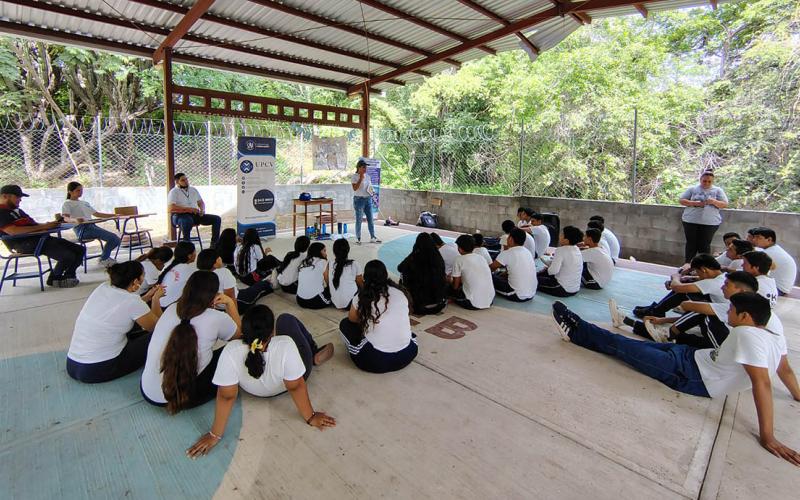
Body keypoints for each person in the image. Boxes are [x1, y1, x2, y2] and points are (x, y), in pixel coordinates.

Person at [551, 295, 800, 467]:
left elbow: (762, 383)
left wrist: (768, 436)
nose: (728, 314)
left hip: (689, 376)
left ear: (745, 316)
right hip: (691, 357)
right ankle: (582, 328)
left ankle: (576, 330)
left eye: (732, 311)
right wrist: (798, 395)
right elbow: (785, 369)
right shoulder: (771, 330)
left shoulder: (748, 335)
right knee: (633, 345)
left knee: (622, 347)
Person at [186, 305, 335, 458]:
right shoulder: (285, 344)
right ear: (272, 332)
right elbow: (296, 386)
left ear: (243, 330)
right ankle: (313, 351)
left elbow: (226, 396)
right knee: (286, 319)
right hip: (287, 381)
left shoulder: (231, 350)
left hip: (254, 391)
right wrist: (310, 417)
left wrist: (214, 435)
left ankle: (310, 352)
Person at [141, 271, 240, 413]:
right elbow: (237, 335)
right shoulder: (216, 318)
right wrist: (230, 303)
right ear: (214, 294)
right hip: (185, 397)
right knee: (235, 348)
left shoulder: (171, 308)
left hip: (148, 391)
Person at [66, 261, 164, 383]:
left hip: (72, 364)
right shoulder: (132, 301)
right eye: (143, 276)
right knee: (161, 337)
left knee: (133, 328)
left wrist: (146, 297)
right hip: (98, 369)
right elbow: (159, 328)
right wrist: (155, 299)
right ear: (135, 282)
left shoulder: (103, 287)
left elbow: (120, 308)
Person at [612, 271, 760, 347]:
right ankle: (627, 322)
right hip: (717, 338)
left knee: (701, 310)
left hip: (719, 347)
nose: (722, 287)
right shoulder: (746, 302)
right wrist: (663, 319)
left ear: (740, 290)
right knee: (679, 337)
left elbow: (687, 306)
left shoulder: (731, 305)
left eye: (727, 285)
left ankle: (668, 334)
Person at [339, 260, 418, 373]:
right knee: (407, 332)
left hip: (376, 361)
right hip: (408, 353)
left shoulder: (361, 296)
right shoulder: (400, 292)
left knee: (345, 324)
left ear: (365, 277)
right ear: (385, 275)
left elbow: (352, 319)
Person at [0, 184, 85, 288]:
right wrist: (43, 227)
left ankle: (69, 276)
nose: (20, 200)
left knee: (80, 250)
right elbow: (13, 231)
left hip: (39, 239)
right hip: (23, 244)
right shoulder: (1, 212)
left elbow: (34, 225)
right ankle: (54, 278)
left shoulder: (18, 211)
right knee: (67, 256)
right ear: (5, 196)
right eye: (17, 197)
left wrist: (49, 224)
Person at [632, 254, 726, 318]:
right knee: (686, 283)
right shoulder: (722, 276)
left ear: (704, 270)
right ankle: (656, 309)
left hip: (718, 314)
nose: (698, 275)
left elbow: (678, 288)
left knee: (685, 291)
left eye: (698, 272)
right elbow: (695, 279)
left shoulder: (713, 283)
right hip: (717, 307)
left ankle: (657, 311)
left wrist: (676, 277)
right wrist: (682, 278)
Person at [61, 181, 120, 267]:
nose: (80, 192)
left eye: (81, 190)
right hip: (82, 229)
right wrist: (75, 220)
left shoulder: (84, 203)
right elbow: (65, 218)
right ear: (70, 191)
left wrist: (115, 215)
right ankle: (104, 258)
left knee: (116, 239)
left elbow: (97, 214)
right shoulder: (67, 203)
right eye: (78, 190)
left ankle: (104, 257)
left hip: (92, 226)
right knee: (114, 238)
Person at [679, 170, 729, 264]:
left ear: (712, 181)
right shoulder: (692, 189)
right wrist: (694, 203)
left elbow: (725, 204)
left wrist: (714, 201)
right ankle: (688, 263)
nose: (706, 183)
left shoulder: (718, 190)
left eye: (709, 181)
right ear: (700, 180)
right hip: (690, 221)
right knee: (691, 244)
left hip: (710, 222)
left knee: (704, 245)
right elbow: (681, 200)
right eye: (704, 181)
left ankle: (703, 266)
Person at [397, 232, 448, 315]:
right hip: (439, 305)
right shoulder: (438, 257)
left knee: (404, 273)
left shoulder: (414, 258)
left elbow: (399, 268)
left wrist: (413, 253)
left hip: (419, 307)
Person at [168, 173, 221, 246]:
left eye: (186, 179)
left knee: (216, 219)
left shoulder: (193, 189)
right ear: (177, 182)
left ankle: (214, 244)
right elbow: (171, 208)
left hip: (194, 214)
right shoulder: (174, 192)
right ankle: (187, 245)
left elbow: (201, 202)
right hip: (179, 216)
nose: (186, 181)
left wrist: (202, 210)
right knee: (187, 221)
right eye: (183, 180)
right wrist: (188, 209)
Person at [490, 228, 536, 302]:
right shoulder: (527, 252)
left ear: (511, 239)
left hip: (516, 294)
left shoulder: (507, 253)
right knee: (501, 275)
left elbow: (490, 269)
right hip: (532, 293)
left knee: (489, 277)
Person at [537, 226, 583, 297]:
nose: (559, 236)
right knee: (542, 274)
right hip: (575, 288)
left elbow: (553, 271)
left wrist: (547, 269)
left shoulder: (561, 250)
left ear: (566, 240)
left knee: (533, 280)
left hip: (562, 288)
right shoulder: (577, 249)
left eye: (562, 234)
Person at [451, 235, 494, 310]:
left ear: (460, 249)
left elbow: (456, 285)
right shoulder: (481, 257)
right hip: (490, 300)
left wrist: (453, 289)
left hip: (472, 303)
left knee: (448, 289)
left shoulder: (458, 259)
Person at [749, 227, 797, 295]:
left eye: (758, 238)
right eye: (754, 237)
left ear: (769, 239)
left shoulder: (769, 253)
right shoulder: (773, 249)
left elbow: (751, 270)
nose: (754, 240)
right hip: (781, 288)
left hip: (778, 289)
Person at [157, 241, 196, 307]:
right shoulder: (188, 269)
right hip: (169, 307)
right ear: (189, 256)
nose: (196, 254)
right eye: (194, 252)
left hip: (158, 304)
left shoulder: (170, 265)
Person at [351, 159, 380, 244]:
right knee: (359, 219)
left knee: (370, 219)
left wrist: (372, 192)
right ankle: (358, 238)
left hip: (368, 199)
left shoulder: (368, 176)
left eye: (366, 167)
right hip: (359, 200)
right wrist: (360, 178)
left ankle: (373, 237)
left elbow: (369, 187)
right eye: (363, 167)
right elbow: (355, 188)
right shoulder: (354, 176)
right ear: (359, 167)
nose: (365, 169)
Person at [329, 239, 363, 310]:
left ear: (334, 251)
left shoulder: (329, 264)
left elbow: (328, 280)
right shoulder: (354, 264)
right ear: (348, 250)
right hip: (351, 304)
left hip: (334, 302)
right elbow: (360, 284)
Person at [296, 242, 331, 309]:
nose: (326, 253)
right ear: (318, 252)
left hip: (300, 300)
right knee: (334, 293)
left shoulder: (304, 262)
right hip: (314, 301)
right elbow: (328, 282)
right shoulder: (323, 262)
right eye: (324, 251)